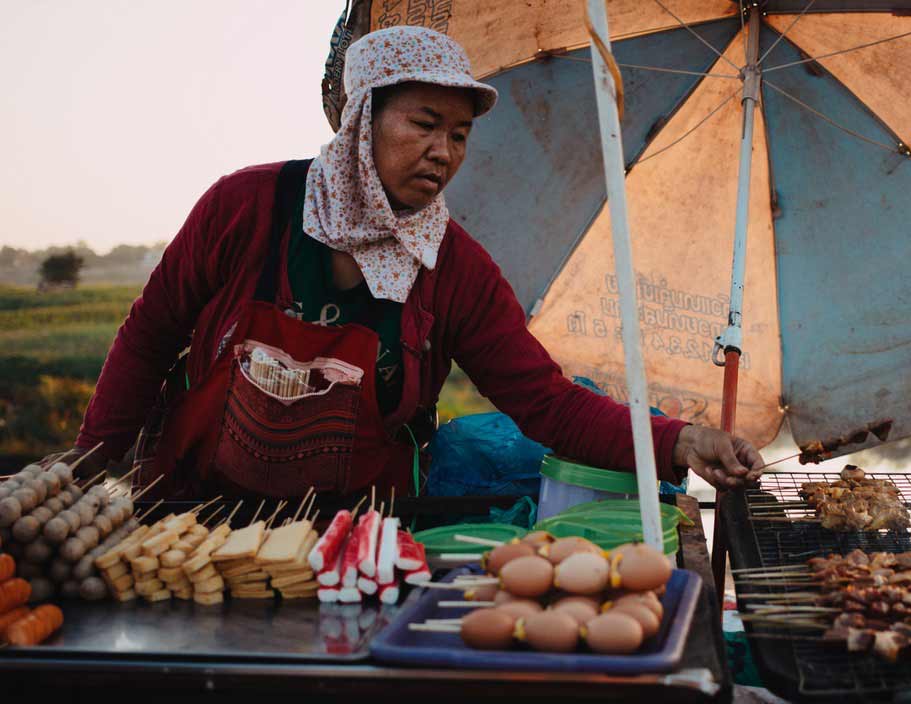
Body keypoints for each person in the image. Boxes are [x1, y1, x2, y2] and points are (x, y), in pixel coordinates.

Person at [65, 26, 762, 499]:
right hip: (195, 512)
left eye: (459, 135)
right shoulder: (244, 206)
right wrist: (89, 468)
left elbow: (546, 404)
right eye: (424, 124)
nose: (446, 152)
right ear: (361, 118)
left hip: (356, 544)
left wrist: (680, 442)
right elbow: (149, 335)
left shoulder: (454, 269)